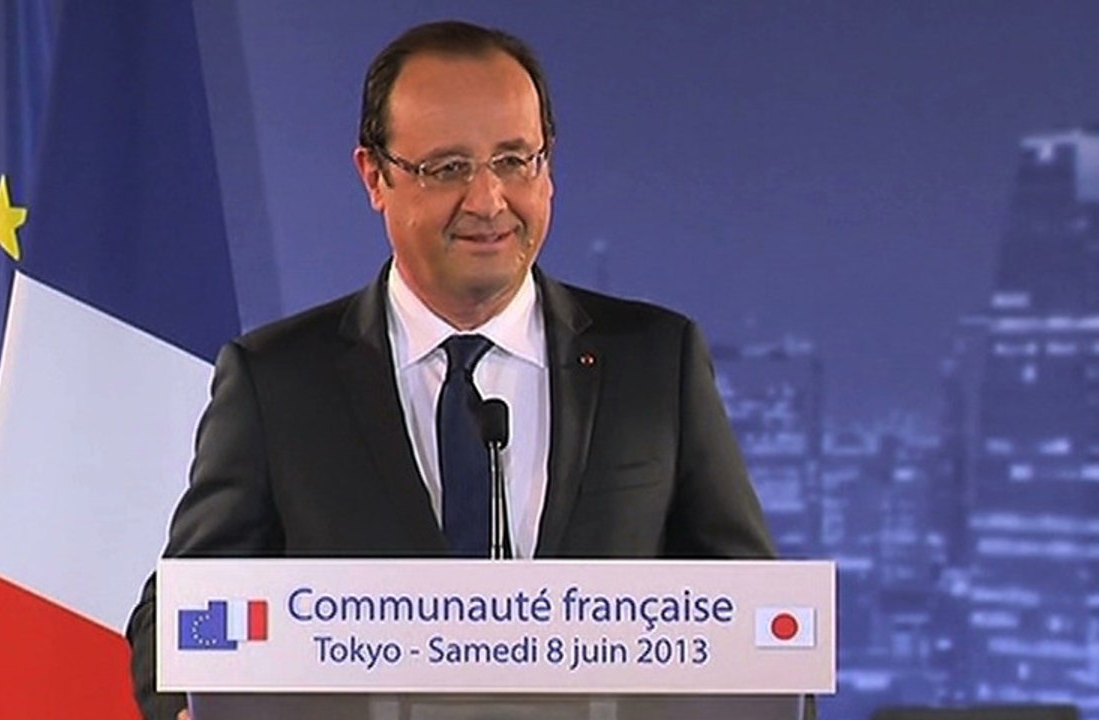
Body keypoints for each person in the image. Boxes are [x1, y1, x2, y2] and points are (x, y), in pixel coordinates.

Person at [126, 20, 776, 720]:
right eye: (447, 168)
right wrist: (192, 706)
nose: (488, 202)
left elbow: (742, 608)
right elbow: (177, 614)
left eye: (513, 160)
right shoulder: (278, 379)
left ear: (547, 167)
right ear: (374, 176)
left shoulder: (655, 359)